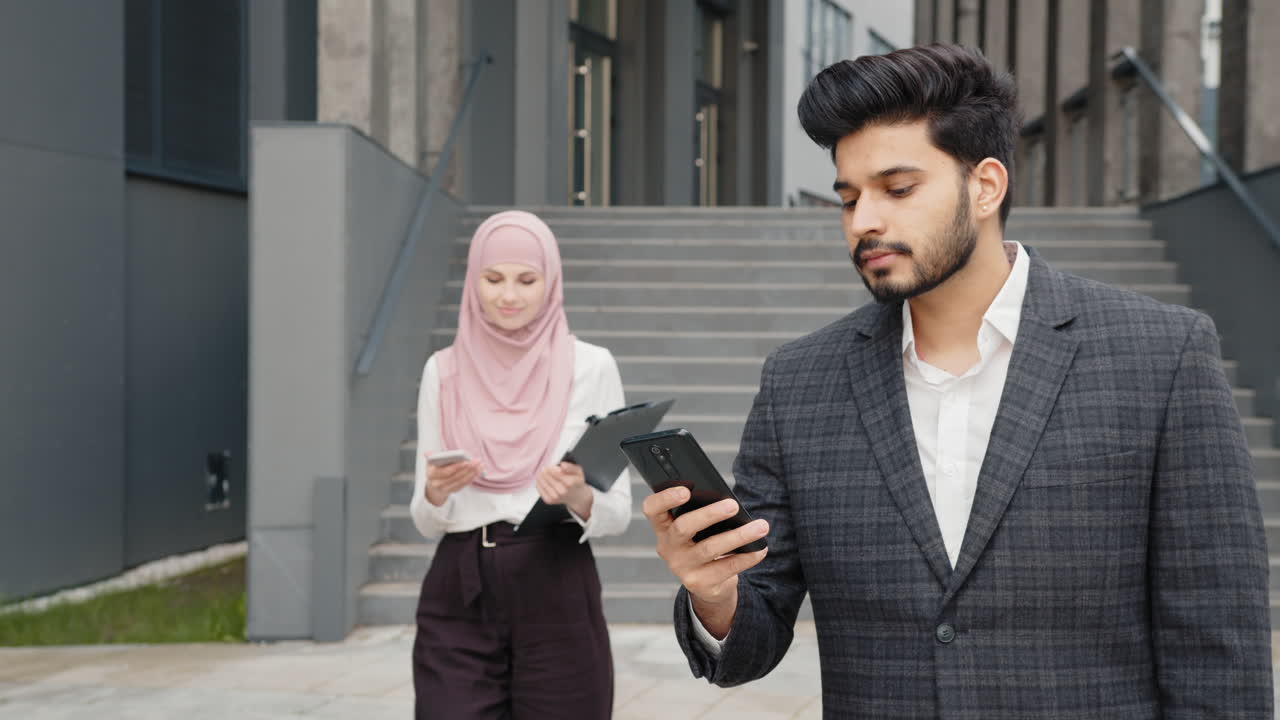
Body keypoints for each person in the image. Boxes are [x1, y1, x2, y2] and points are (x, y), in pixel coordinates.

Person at [643, 45, 1272, 717]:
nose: (864, 221)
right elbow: (753, 636)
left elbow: (1219, 640)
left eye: (897, 189)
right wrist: (713, 591)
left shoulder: (1160, 355)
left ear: (986, 186)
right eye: (849, 198)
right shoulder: (799, 383)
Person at [410, 210, 630, 719]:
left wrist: (577, 495)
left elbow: (617, 514)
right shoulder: (442, 371)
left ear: (550, 281)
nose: (508, 295)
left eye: (526, 280)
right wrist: (437, 492)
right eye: (493, 279)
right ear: (473, 280)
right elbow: (425, 519)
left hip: (556, 574)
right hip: (461, 583)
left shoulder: (592, 367)